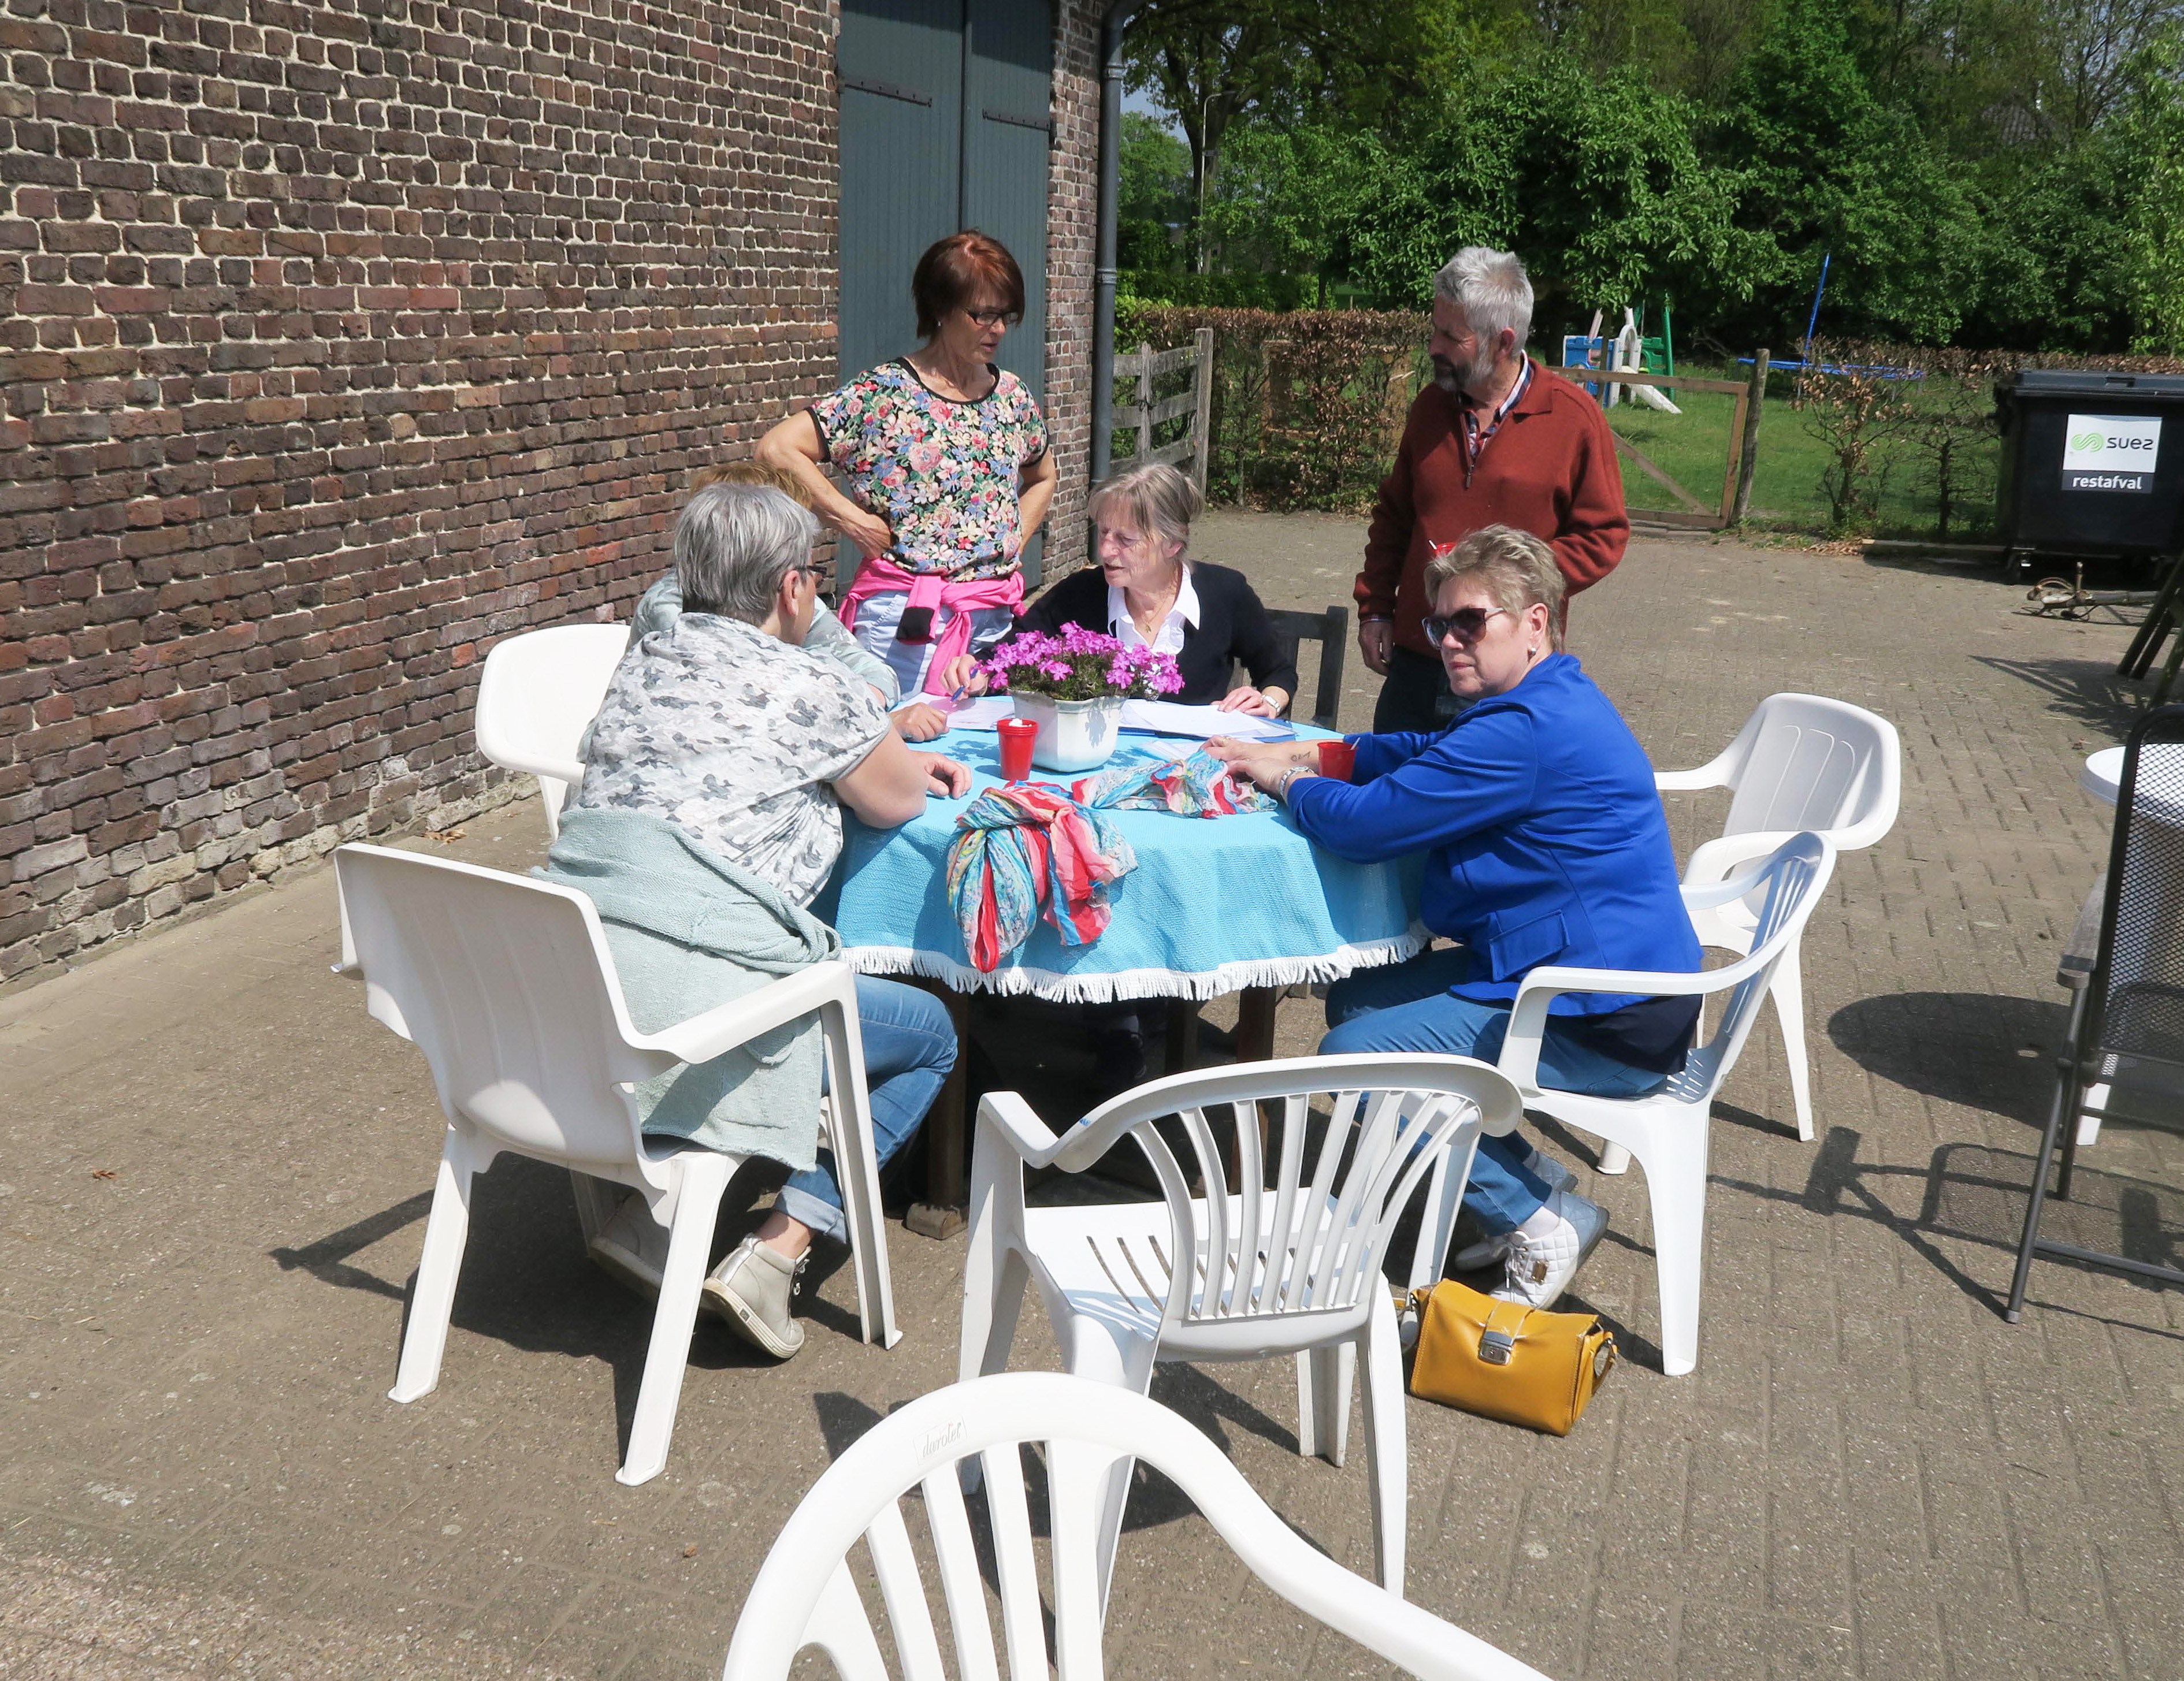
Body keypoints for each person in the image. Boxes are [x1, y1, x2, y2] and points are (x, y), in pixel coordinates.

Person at [1210, 525, 1701, 1310]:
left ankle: (1541, 1223)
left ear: (1535, 622)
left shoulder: (1524, 731)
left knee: (1351, 1059)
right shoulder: (1542, 696)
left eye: (1470, 621)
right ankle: (1530, 1176)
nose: (1447, 641)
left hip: (1607, 1014)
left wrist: (1283, 781)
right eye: (1438, 624)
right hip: (1588, 974)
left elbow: (1367, 826)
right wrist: (1309, 754)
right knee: (1360, 1000)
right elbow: (1423, 752)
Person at [549, 481, 972, 1360]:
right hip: (695, 1008)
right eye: (811, 575)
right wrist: (878, 751)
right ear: (792, 587)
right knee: (931, 1034)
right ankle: (778, 1251)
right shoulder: (811, 685)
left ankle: (656, 1220)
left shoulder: (644, 660)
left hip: (574, 987)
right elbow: (898, 801)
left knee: (718, 953)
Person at [756, 229, 1058, 698]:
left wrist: (1012, 536)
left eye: (1006, 315)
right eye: (984, 314)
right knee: (903, 736)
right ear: (941, 309)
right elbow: (776, 450)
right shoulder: (885, 394)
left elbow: (1043, 475)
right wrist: (853, 521)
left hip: (994, 622)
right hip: (903, 626)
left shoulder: (1011, 396)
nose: (998, 329)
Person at [1357, 247, 1629, 735]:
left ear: (1502, 343)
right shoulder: (1430, 408)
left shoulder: (1572, 418)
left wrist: (1506, 583)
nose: (1433, 347)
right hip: (1419, 660)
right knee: (1393, 779)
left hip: (1511, 677)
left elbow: (1603, 536)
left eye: (1451, 336)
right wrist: (1375, 607)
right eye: (1435, 329)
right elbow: (1395, 517)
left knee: (1487, 789)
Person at [629, 461, 953, 742]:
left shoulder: (789, 591)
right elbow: (736, 708)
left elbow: (872, 670)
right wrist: (862, 724)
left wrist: (856, 710)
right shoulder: (676, 609)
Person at [939, 460, 1297, 714]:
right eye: (1104, 533)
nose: (1106, 551)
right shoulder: (1079, 593)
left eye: (1126, 539)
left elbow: (1278, 674)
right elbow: (1007, 655)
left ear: (1172, 544)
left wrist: (1267, 701)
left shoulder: (1226, 593)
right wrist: (976, 672)